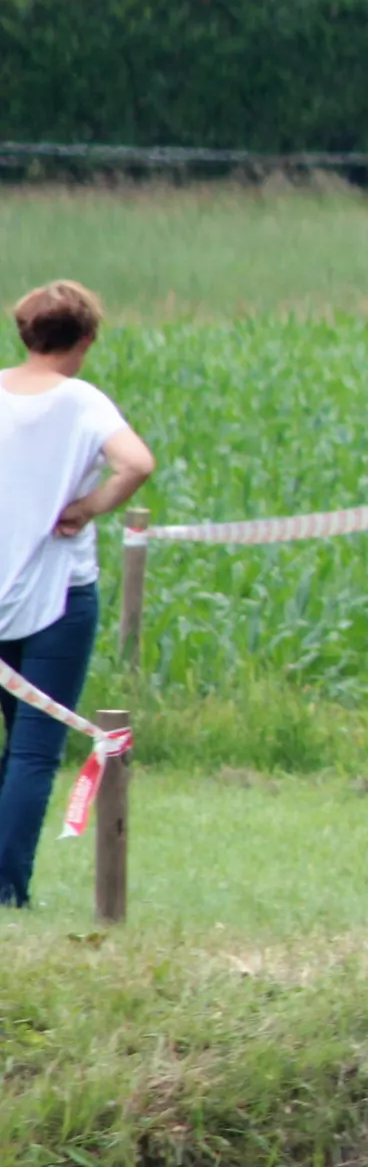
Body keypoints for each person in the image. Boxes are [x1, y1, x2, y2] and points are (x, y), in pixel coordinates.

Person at [0, 282, 154, 911]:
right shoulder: (84, 402)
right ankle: (8, 891)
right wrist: (87, 507)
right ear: (85, 340)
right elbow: (136, 463)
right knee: (34, 750)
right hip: (59, 599)